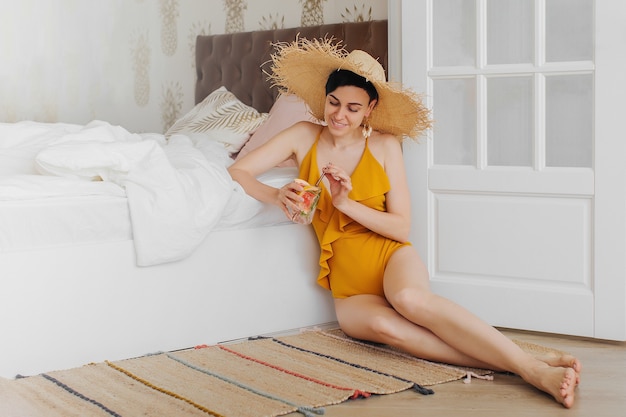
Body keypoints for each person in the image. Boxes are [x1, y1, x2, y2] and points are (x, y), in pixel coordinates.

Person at [228, 38, 580, 408]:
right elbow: (239, 170)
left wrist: (345, 202)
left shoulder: (385, 145)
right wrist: (275, 195)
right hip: (348, 284)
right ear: (324, 98)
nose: (339, 115)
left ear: (370, 108)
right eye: (333, 103)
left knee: (411, 300)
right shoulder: (304, 134)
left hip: (389, 258)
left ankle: (533, 371)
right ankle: (525, 361)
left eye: (352, 107)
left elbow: (400, 228)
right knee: (384, 328)